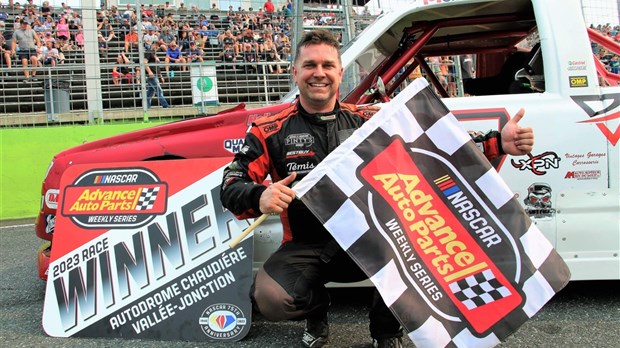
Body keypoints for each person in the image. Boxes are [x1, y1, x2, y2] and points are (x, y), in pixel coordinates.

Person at [220, 29, 535, 348]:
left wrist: (498, 143)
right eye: (310, 65)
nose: (319, 73)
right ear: (295, 72)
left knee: (421, 241)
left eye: (328, 65)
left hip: (376, 239)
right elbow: (231, 184)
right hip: (308, 244)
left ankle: (386, 331)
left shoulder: (368, 121)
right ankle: (318, 310)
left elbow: (434, 153)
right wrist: (259, 196)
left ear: (340, 72)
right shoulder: (270, 130)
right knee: (270, 298)